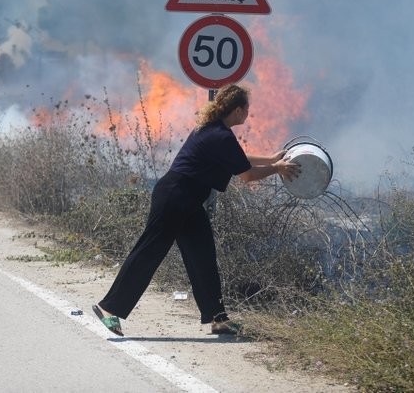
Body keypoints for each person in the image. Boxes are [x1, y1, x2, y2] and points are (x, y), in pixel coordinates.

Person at [92, 84, 301, 336]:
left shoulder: (216, 131)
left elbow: (238, 158)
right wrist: (277, 168)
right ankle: (108, 308)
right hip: (174, 196)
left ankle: (218, 319)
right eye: (247, 109)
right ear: (237, 110)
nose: (248, 113)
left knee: (203, 257)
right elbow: (247, 175)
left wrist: (271, 159)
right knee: (149, 252)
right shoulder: (219, 135)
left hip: (188, 200)